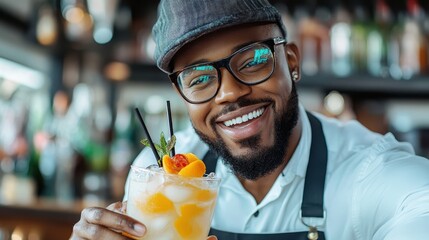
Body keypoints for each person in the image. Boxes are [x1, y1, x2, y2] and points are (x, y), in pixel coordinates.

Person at [71, 0, 429, 239]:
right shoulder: (158, 175)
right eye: (199, 78)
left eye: (253, 60)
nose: (229, 93)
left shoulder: (365, 171)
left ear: (291, 61)